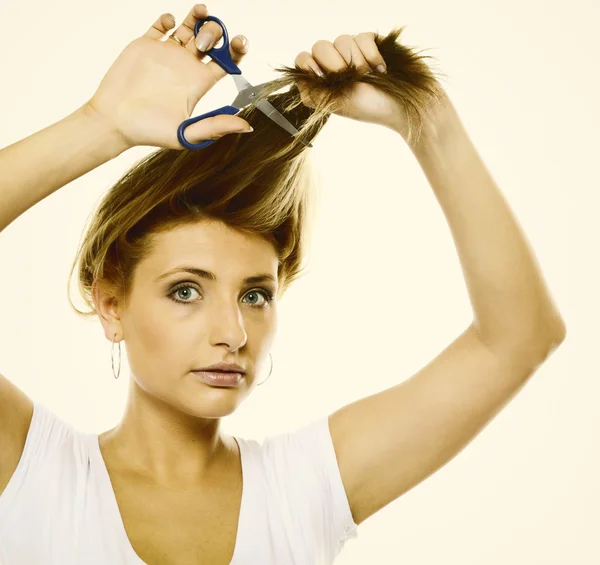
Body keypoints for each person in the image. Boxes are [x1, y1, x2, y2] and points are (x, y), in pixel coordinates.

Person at [0, 4, 566, 565]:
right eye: (186, 291)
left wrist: (427, 119)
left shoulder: (303, 490)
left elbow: (518, 338)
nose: (233, 332)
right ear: (110, 305)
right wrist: (101, 124)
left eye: (255, 295)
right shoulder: (36, 473)